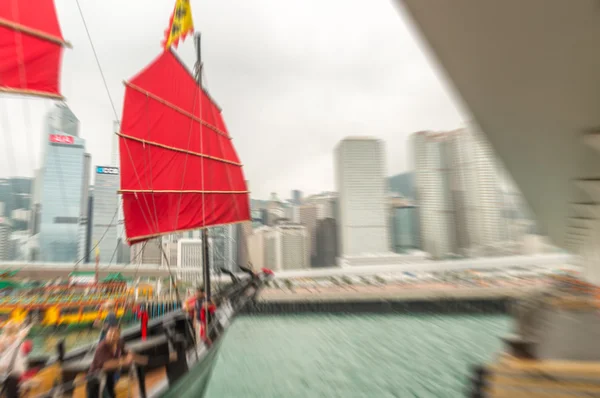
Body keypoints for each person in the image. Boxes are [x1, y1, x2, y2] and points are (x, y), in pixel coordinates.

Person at [86, 326, 148, 398]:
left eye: (114, 335)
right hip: (96, 378)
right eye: (109, 335)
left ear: (118, 336)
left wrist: (140, 359)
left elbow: (127, 352)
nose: (112, 337)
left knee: (111, 394)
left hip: (109, 376)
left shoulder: (120, 343)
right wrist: (124, 361)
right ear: (106, 336)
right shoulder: (101, 347)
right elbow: (106, 365)